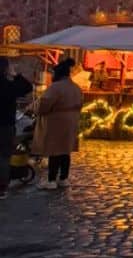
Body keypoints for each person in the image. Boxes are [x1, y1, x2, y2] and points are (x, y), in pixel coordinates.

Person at [34, 58, 84, 191]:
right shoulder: (76, 88)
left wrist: (37, 111)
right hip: (71, 122)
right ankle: (63, 178)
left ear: (58, 74)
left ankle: (51, 180)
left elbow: (44, 104)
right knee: (65, 151)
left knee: (54, 151)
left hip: (56, 122)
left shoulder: (55, 87)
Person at [0, 56, 32, 200]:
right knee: (4, 157)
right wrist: (16, 74)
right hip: (6, 126)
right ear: (6, 69)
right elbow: (27, 87)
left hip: (6, 125)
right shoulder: (9, 85)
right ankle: (1, 188)